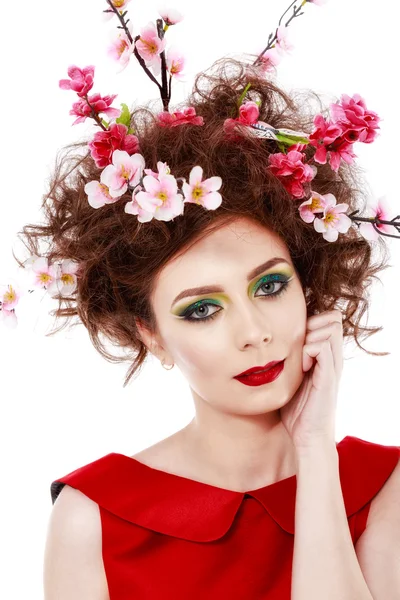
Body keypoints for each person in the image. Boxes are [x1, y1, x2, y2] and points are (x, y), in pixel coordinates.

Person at [4, 2, 399, 599]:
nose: (254, 332)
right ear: (150, 332)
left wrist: (316, 452)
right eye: (201, 309)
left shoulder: (384, 486)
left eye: (270, 286)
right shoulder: (94, 518)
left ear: (308, 282)